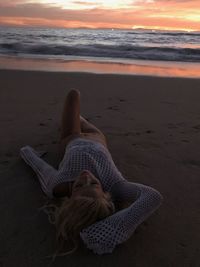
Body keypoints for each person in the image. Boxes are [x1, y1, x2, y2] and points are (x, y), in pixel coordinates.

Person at [20, 89, 163, 257]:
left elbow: (34, 162)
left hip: (71, 136)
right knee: (79, 117)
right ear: (105, 194)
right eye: (94, 183)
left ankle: (70, 121)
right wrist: (111, 229)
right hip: (97, 137)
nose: (86, 176)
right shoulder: (115, 186)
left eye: (79, 185)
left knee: (74, 94)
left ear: (70, 195)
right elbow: (152, 196)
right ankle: (77, 119)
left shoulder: (58, 186)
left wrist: (27, 150)